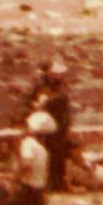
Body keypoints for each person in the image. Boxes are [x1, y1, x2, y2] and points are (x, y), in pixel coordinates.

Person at [0, 112, 51, 205]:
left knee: (1, 184)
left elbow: (27, 168)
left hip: (30, 192)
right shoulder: (39, 146)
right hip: (40, 191)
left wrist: (10, 178)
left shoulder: (27, 144)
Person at [32, 63, 74, 191]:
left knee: (59, 157)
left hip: (60, 128)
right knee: (51, 156)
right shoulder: (43, 89)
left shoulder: (60, 90)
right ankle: (52, 183)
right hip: (49, 129)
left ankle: (59, 183)